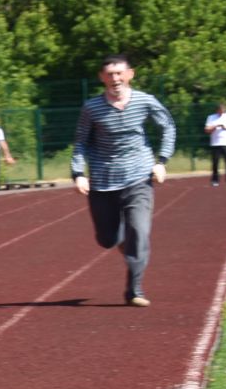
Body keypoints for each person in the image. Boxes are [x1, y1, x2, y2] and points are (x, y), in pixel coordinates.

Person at [73, 54, 175, 307]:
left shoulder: (145, 101)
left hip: (138, 178)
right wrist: (78, 174)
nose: (115, 79)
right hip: (103, 181)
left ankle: (134, 289)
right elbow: (80, 143)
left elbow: (168, 127)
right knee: (108, 239)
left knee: (139, 232)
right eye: (109, 74)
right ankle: (124, 245)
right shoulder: (92, 108)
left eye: (119, 73)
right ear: (102, 78)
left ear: (130, 74)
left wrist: (161, 161)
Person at [204, 105, 226, 185]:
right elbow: (206, 130)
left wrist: (225, 128)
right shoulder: (211, 117)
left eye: (223, 111)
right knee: (215, 163)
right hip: (215, 143)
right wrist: (214, 127)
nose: (221, 113)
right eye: (220, 111)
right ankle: (215, 180)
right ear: (217, 110)